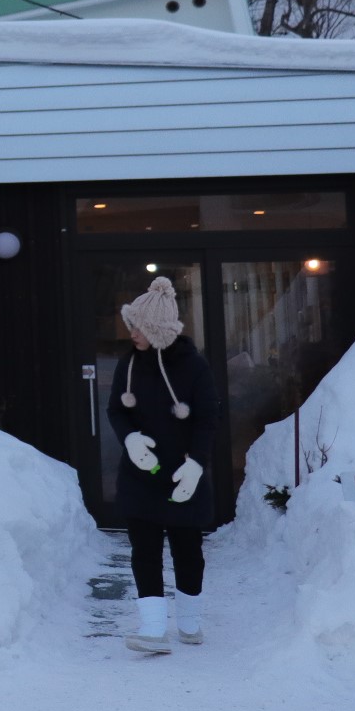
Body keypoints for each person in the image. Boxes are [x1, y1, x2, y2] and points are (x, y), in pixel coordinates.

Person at [106, 276, 220, 656]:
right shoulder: (129, 364)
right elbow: (115, 410)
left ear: (155, 328)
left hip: (182, 475)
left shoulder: (194, 367)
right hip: (141, 476)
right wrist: (130, 439)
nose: (131, 334)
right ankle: (153, 628)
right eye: (131, 325)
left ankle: (189, 622)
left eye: (137, 327)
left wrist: (196, 465)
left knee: (188, 548)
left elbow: (206, 419)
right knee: (144, 549)